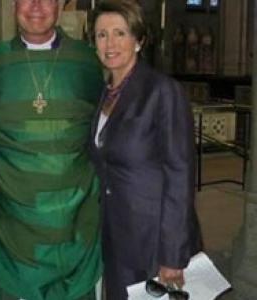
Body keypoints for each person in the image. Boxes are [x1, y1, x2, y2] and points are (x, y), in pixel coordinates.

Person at [0, 0, 104, 299]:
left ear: (61, 4)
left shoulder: (86, 62)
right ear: (13, 5)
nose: (36, 5)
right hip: (14, 221)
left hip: (76, 216)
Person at [89, 1, 202, 299]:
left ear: (138, 40)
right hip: (116, 236)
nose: (110, 43)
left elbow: (180, 174)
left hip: (153, 241)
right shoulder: (105, 94)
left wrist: (172, 255)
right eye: (101, 35)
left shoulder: (162, 91)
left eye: (120, 33)